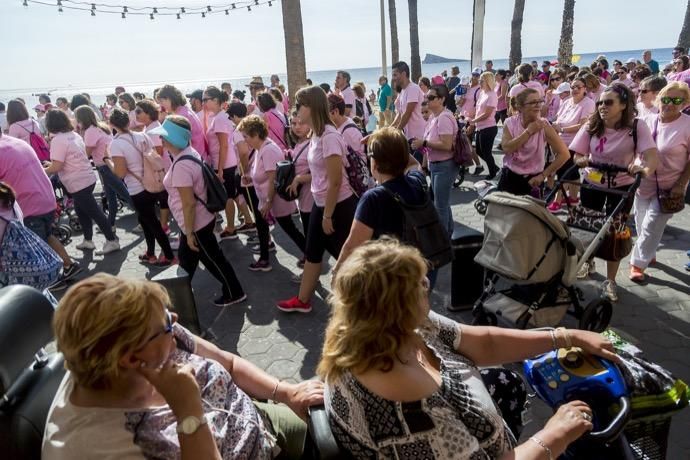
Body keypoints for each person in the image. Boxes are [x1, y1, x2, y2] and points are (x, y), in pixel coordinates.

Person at [319, 238, 617, 459]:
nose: (427, 283)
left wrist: (566, 336)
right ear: (399, 307)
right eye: (419, 285)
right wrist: (554, 434)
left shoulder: (387, 329)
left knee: (507, 382)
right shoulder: (411, 415)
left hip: (485, 438)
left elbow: (484, 342)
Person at [43, 273, 324, 459]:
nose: (175, 320)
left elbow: (229, 362)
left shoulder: (148, 335)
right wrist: (188, 412)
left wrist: (286, 392)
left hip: (261, 420)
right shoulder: (95, 446)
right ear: (130, 359)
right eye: (165, 323)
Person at [570, 83, 659, 302]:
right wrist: (583, 161)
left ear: (623, 105)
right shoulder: (592, 124)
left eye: (608, 102)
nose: (602, 106)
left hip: (621, 185)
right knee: (586, 225)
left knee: (615, 232)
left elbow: (651, 155)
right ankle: (587, 262)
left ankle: (610, 279)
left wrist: (643, 169)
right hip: (593, 182)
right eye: (600, 102)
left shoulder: (637, 127)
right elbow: (577, 155)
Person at [276, 86, 357, 314]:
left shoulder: (329, 136)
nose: (295, 110)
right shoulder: (316, 135)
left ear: (311, 107)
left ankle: (363, 300)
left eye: (299, 105)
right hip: (321, 204)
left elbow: (335, 181)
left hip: (338, 206)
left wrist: (328, 214)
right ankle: (303, 300)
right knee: (312, 253)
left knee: (348, 256)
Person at [151, 115, 246, 306]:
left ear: (174, 139)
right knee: (189, 261)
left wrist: (188, 232)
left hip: (196, 224)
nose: (160, 140)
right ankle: (176, 298)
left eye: (164, 136)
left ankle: (234, 291)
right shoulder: (189, 153)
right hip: (198, 221)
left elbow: (189, 203)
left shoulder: (181, 166)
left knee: (213, 259)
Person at [333, 127, 422, 277]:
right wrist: (393, 143)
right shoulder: (417, 181)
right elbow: (414, 164)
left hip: (391, 275)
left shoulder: (373, 198)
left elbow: (352, 245)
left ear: (375, 164)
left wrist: (336, 272)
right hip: (420, 265)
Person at [0, 129, 80, 290]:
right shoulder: (16, 142)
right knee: (46, 235)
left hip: (28, 204)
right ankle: (69, 264)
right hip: (45, 198)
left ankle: (53, 280)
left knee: (33, 249)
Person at [630, 82, 690, 282]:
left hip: (669, 185)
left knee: (651, 224)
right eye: (666, 99)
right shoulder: (647, 120)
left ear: (684, 103)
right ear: (658, 99)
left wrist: (681, 185)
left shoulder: (687, 125)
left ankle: (637, 264)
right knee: (640, 221)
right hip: (643, 181)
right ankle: (648, 250)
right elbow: (635, 148)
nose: (669, 104)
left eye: (676, 100)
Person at [42, 109, 119, 255]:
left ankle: (112, 240)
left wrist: (41, 171)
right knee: (80, 211)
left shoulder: (58, 140)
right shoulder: (73, 135)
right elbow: (68, 159)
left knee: (95, 213)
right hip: (87, 178)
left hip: (78, 182)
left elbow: (57, 166)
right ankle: (88, 240)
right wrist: (50, 165)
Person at [237, 115, 306, 272]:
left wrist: (268, 201)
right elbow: (262, 174)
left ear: (255, 134)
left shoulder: (268, 150)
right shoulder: (261, 148)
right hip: (266, 200)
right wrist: (250, 177)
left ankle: (309, 255)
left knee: (289, 228)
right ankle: (264, 258)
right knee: (263, 228)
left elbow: (272, 179)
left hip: (274, 200)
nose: (244, 140)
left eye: (246, 136)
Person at [108, 108, 175, 266]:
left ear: (112, 124)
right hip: (153, 183)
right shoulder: (142, 135)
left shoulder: (116, 144)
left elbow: (120, 173)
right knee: (145, 220)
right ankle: (150, 253)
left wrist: (107, 160)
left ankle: (170, 256)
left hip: (137, 188)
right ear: (128, 121)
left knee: (152, 223)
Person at [499, 89, 570, 196]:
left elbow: (564, 154)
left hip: (533, 180)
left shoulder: (544, 126)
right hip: (509, 177)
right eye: (533, 102)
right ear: (520, 107)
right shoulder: (510, 123)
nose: (538, 105)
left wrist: (543, 175)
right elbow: (507, 148)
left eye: (539, 101)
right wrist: (529, 131)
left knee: (529, 213)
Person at [75, 105, 134, 230]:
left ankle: (144, 218)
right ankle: (110, 224)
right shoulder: (101, 126)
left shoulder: (90, 131)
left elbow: (87, 153)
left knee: (124, 194)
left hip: (105, 166)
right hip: (108, 163)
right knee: (111, 196)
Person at [411, 85, 458, 235]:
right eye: (426, 97)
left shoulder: (444, 117)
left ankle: (442, 240)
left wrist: (423, 143)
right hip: (436, 166)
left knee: (440, 206)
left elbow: (447, 145)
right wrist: (424, 165)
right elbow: (428, 143)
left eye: (431, 97)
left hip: (445, 166)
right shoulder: (433, 117)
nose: (427, 100)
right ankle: (448, 234)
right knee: (442, 203)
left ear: (442, 99)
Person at [548, 77, 596, 212]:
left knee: (563, 172)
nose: (574, 89)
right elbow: (558, 119)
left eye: (578, 87)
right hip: (560, 141)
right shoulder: (567, 102)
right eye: (572, 87)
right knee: (572, 171)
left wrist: (562, 129)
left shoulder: (588, 103)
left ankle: (557, 201)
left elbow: (582, 125)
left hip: (575, 143)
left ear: (585, 89)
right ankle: (574, 197)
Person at [203, 86, 239, 240]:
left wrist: (220, 170)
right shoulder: (220, 116)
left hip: (225, 164)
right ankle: (245, 223)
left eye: (206, 99)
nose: (204, 103)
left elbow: (223, 145)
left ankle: (231, 228)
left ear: (216, 100)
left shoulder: (219, 118)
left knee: (229, 196)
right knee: (234, 195)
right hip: (228, 161)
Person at [135, 99, 173, 234]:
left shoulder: (154, 128)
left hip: (160, 170)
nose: (136, 114)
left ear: (148, 113)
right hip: (158, 169)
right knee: (161, 197)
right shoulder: (149, 127)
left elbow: (159, 151)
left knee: (163, 197)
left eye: (139, 111)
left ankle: (163, 225)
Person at [285, 111, 314, 265]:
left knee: (313, 238)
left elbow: (320, 174)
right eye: (294, 123)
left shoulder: (312, 145)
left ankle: (310, 264)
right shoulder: (299, 144)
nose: (297, 127)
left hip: (311, 199)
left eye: (301, 123)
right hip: (303, 199)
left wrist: (298, 179)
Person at [227, 102, 258, 235]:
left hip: (247, 172)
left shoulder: (238, 131)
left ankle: (264, 238)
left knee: (254, 206)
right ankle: (261, 234)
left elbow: (244, 151)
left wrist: (243, 171)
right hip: (255, 168)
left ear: (234, 116)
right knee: (255, 205)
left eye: (230, 117)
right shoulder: (250, 127)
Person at [157, 85, 207, 162]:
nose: (161, 105)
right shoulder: (185, 110)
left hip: (192, 160)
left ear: (169, 99)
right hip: (199, 156)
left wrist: (161, 121)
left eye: (161, 101)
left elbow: (177, 143)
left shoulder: (181, 116)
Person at [467, 72, 500, 179]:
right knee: (479, 151)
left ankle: (492, 173)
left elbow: (487, 114)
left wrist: (473, 121)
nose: (479, 82)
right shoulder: (482, 93)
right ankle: (494, 168)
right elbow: (478, 110)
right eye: (479, 80)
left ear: (487, 81)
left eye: (482, 80)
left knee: (486, 152)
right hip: (480, 127)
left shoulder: (492, 95)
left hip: (489, 127)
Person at [391, 61, 426, 142]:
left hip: (418, 136)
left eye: (395, 75)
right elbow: (400, 114)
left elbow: (407, 113)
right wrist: (390, 128)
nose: (393, 78)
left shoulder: (413, 88)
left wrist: (397, 131)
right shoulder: (402, 91)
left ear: (403, 74)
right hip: (408, 136)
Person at [328, 94, 364, 162]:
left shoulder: (348, 132)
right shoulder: (343, 122)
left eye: (325, 112)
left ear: (335, 112)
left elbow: (356, 159)